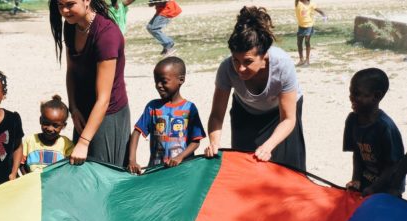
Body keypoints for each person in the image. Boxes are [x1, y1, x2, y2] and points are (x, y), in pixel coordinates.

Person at [204, 6, 306, 171]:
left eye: (248, 61)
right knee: (246, 166)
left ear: (264, 55)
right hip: (246, 110)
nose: (240, 69)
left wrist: (268, 146)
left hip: (280, 113)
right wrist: (214, 142)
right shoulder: (226, 68)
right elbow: (216, 115)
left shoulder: (282, 65)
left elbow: (288, 119)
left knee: (286, 168)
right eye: (236, 60)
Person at [49, 0, 130, 167]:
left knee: (103, 175)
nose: (64, 10)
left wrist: (84, 142)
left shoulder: (106, 34)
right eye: (60, 5)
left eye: (70, 4)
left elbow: (104, 99)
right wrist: (74, 108)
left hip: (108, 113)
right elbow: (71, 71)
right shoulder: (71, 25)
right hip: (83, 111)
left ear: (87, 1)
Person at [128, 56, 205, 173]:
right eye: (156, 81)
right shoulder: (152, 107)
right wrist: (132, 160)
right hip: (156, 170)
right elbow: (136, 132)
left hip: (182, 170)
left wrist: (180, 157)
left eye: (164, 81)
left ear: (181, 80)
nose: (158, 85)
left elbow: (195, 141)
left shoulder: (189, 108)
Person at [343, 68, 404, 197]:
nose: (351, 97)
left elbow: (394, 167)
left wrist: (374, 189)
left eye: (357, 93)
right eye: (351, 92)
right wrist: (356, 180)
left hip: (389, 187)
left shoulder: (385, 127)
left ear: (376, 96)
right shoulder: (352, 120)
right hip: (367, 182)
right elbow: (358, 154)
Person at [21, 95, 74, 174]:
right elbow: (21, 163)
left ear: (63, 126)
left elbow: (71, 166)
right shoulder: (30, 140)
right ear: (40, 120)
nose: (50, 128)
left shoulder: (66, 143)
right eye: (46, 123)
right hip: (33, 183)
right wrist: (25, 177)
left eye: (55, 125)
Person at [295, 0, 327, 66]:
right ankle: (301, 60)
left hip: (309, 25)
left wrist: (324, 15)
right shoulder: (297, 2)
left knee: (307, 42)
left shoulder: (311, 4)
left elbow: (319, 10)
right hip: (301, 26)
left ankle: (307, 60)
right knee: (299, 43)